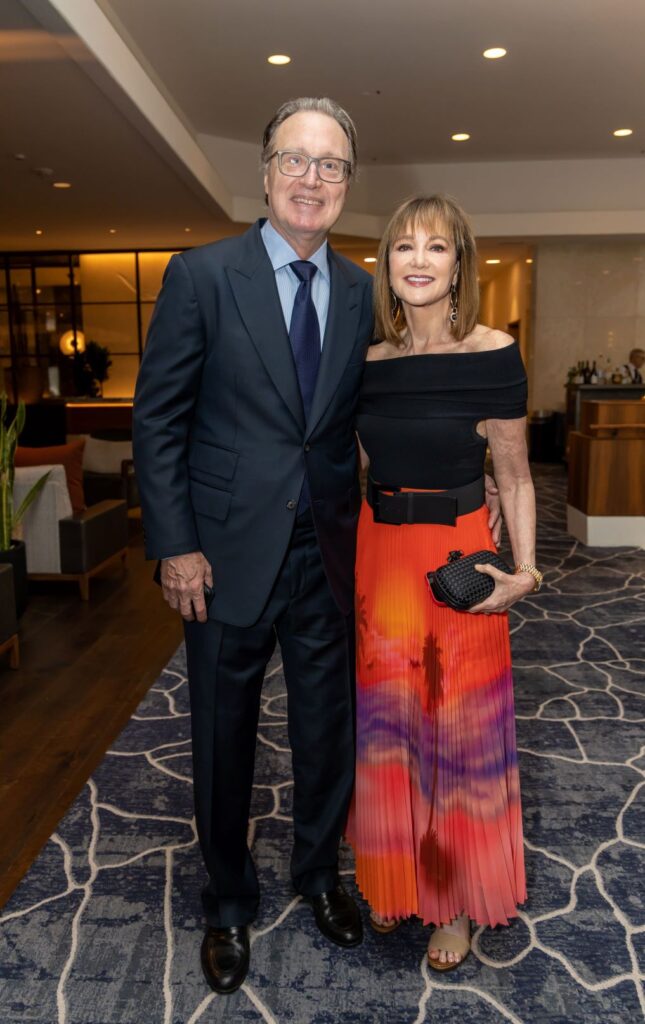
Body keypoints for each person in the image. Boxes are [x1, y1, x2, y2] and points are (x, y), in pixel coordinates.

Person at [133, 97, 373, 995]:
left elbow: (354, 424)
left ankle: (317, 876)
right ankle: (228, 902)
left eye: (332, 165)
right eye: (296, 159)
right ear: (266, 172)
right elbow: (157, 421)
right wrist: (175, 546)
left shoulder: (357, 290)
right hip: (222, 555)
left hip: (326, 553)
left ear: (349, 184)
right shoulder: (201, 276)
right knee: (222, 738)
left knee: (325, 732)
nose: (312, 178)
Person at [345, 195, 541, 971]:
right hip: (379, 557)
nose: (418, 261)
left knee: (455, 733)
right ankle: (395, 878)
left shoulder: (493, 352)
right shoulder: (366, 363)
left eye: (435, 247)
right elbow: (358, 465)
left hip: (457, 563)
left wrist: (523, 573)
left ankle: (454, 900)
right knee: (388, 725)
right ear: (386, 267)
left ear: (460, 261)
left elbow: (516, 476)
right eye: (402, 248)